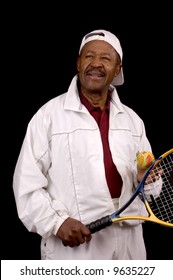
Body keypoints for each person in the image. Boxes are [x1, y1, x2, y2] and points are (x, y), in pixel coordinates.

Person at [13, 29, 159, 260]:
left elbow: (151, 189)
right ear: (78, 63)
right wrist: (57, 223)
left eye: (106, 58)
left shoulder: (133, 121)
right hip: (77, 247)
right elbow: (26, 185)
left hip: (130, 246)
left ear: (118, 69)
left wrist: (146, 179)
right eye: (89, 56)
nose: (96, 64)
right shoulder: (49, 116)